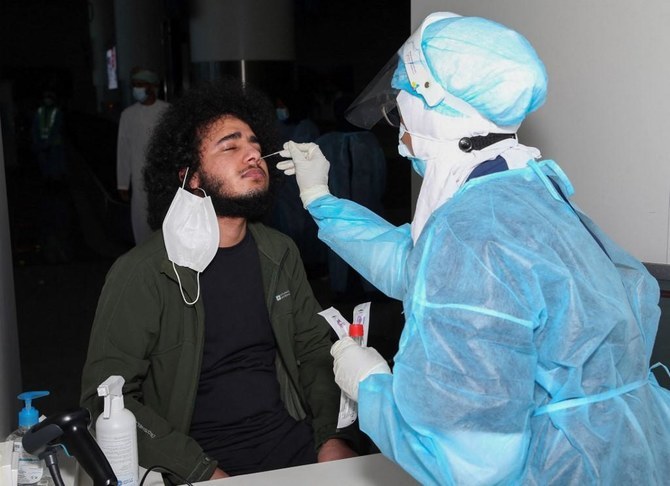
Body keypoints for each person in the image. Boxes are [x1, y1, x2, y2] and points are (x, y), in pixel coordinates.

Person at [278, 12, 670, 485]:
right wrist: (320, 199)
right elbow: (418, 267)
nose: (397, 119)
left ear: (432, 105)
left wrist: (372, 386)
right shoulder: (526, 191)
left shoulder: (471, 233)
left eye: (402, 101)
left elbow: (468, 464)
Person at [80, 78, 356, 483]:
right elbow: (102, 398)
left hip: (295, 449)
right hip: (198, 466)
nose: (253, 155)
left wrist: (330, 437)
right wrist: (200, 471)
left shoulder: (279, 252)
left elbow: (313, 349)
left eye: (256, 146)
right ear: (191, 177)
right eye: (230, 146)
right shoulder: (145, 271)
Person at [116, 67, 169, 245]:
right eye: (134, 85)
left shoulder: (167, 111)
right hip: (138, 178)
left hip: (164, 178)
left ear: (152, 87)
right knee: (140, 221)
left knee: (165, 222)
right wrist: (123, 182)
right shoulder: (128, 115)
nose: (136, 89)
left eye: (141, 85)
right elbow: (123, 150)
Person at [31, 90, 66, 185]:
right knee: (44, 164)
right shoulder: (39, 111)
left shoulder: (57, 112)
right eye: (46, 98)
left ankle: (55, 183)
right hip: (42, 143)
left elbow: (56, 128)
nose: (47, 100)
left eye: (49, 98)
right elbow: (35, 127)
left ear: (53, 100)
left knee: (54, 165)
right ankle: (48, 182)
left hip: (54, 143)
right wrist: (37, 141)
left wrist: (48, 142)